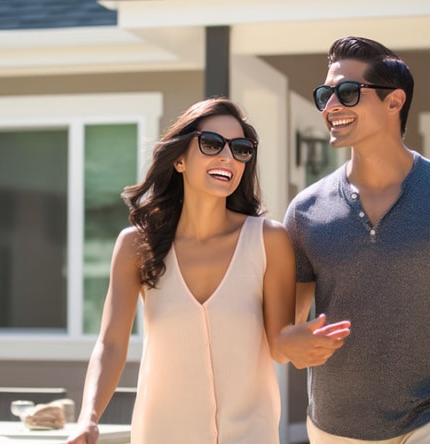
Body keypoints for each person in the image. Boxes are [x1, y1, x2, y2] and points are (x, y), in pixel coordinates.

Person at [66, 97, 349, 444]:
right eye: (212, 144)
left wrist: (301, 341)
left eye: (241, 149)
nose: (228, 158)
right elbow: (111, 344)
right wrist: (88, 418)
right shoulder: (135, 246)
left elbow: (278, 343)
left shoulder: (268, 240)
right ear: (180, 159)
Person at [284, 36, 430, 443]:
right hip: (335, 428)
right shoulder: (305, 211)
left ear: (394, 102)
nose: (331, 107)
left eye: (347, 93)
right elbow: (286, 327)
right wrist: (292, 342)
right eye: (325, 95)